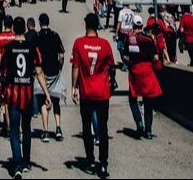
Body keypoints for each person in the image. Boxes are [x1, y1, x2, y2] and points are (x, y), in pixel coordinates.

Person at [0, 17, 51, 179]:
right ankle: (27, 161)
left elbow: (3, 70)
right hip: (27, 93)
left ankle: (17, 165)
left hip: (13, 94)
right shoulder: (32, 47)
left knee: (15, 131)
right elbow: (39, 71)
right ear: (25, 30)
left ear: (14, 29)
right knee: (27, 128)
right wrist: (47, 93)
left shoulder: (8, 48)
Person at [71, 12, 115, 178]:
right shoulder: (104, 44)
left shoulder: (79, 43)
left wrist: (73, 87)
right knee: (103, 129)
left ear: (86, 25)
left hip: (86, 92)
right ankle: (103, 164)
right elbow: (111, 66)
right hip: (102, 92)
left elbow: (75, 66)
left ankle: (90, 159)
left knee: (86, 127)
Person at [125, 18, 163, 138]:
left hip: (135, 70)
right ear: (142, 26)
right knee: (148, 102)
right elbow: (156, 58)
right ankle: (148, 131)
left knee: (133, 99)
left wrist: (130, 62)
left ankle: (139, 123)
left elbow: (125, 56)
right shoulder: (148, 40)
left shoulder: (130, 39)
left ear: (133, 25)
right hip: (147, 70)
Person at [33, 13, 66, 143]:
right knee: (56, 101)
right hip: (54, 71)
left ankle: (45, 131)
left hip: (42, 72)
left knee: (42, 101)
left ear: (40, 23)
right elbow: (61, 55)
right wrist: (59, 68)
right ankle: (58, 128)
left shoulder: (37, 37)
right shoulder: (55, 35)